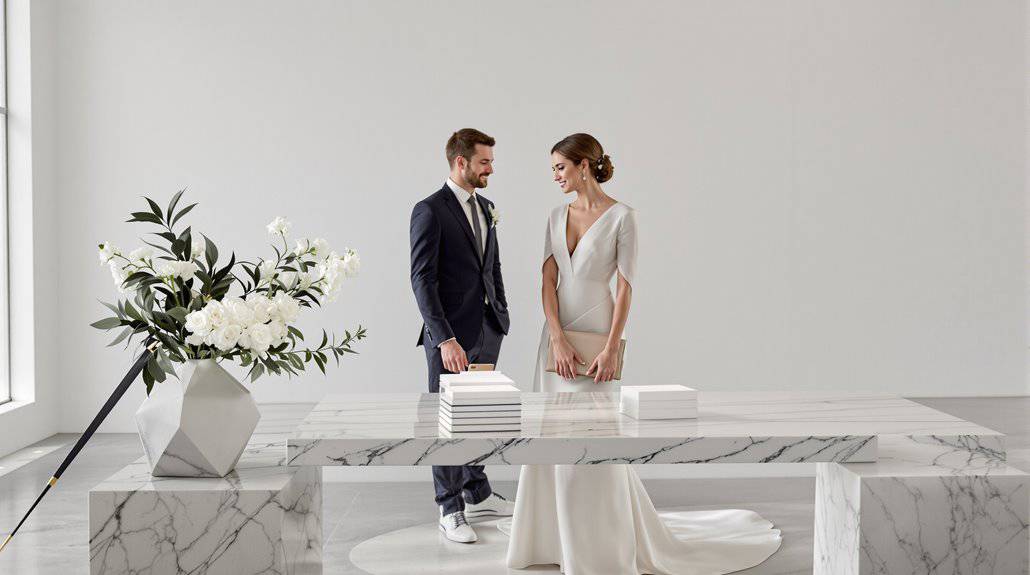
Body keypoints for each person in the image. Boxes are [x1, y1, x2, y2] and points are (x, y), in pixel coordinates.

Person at [503, 133, 782, 574]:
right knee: (552, 438)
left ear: (583, 165)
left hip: (599, 335)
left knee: (597, 441)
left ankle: (600, 547)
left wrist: (613, 346)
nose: (555, 176)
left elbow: (626, 286)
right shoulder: (555, 216)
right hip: (555, 342)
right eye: (553, 169)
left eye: (560, 167)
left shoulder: (622, 218)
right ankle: (552, 542)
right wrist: (555, 337)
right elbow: (546, 280)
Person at [409, 128, 515, 544]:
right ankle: (449, 508)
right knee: (447, 423)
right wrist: (444, 338)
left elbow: (493, 268)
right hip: (449, 337)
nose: (491, 168)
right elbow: (422, 279)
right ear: (461, 162)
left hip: (488, 330)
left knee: (480, 415)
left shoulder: (486, 207)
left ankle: (478, 492)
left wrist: (501, 315)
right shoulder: (429, 210)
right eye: (484, 161)